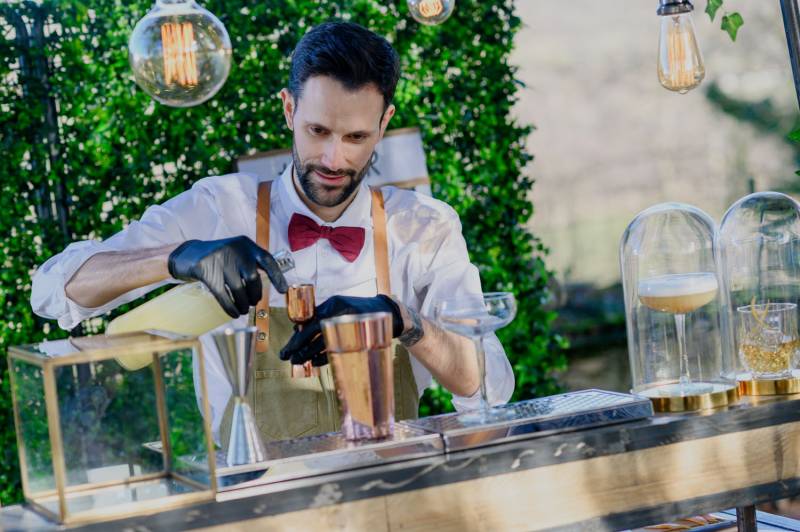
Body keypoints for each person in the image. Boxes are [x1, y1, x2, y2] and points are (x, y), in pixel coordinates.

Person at [31, 21, 514, 443]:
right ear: (288, 110)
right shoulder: (218, 207)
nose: (333, 160)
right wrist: (178, 255)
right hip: (254, 503)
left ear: (384, 123)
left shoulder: (426, 227)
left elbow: (484, 388)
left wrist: (404, 321)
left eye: (356, 138)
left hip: (385, 489)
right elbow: (54, 292)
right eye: (318, 131)